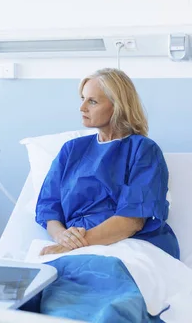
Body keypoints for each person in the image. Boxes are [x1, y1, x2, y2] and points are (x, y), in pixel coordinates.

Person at [35, 68, 180, 259]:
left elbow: (132, 219)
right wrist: (62, 237)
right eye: (82, 99)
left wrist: (75, 245)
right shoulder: (71, 150)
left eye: (92, 101)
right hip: (75, 245)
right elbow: (48, 208)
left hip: (129, 244)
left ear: (118, 106)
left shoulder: (143, 150)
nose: (82, 108)